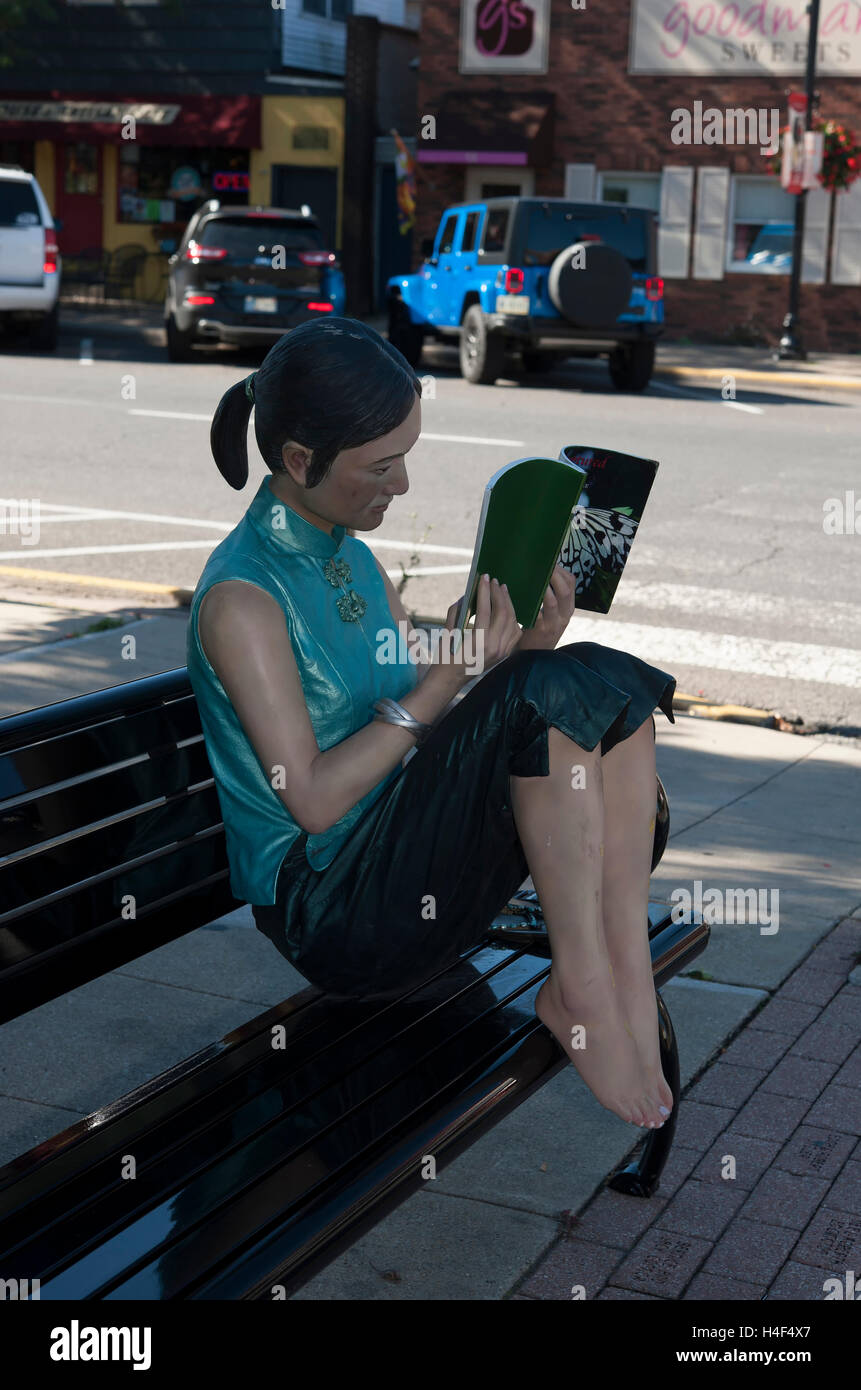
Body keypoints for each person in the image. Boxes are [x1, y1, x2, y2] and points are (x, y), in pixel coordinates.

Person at [187, 317, 677, 1132]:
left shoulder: (346, 552)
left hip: (396, 862)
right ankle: (580, 987)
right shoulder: (243, 599)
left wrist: (514, 647)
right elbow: (308, 800)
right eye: (381, 465)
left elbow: (413, 696)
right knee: (545, 693)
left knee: (591, 680)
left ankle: (619, 966)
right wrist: (458, 674)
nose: (402, 484)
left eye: (404, 456)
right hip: (337, 911)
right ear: (300, 461)